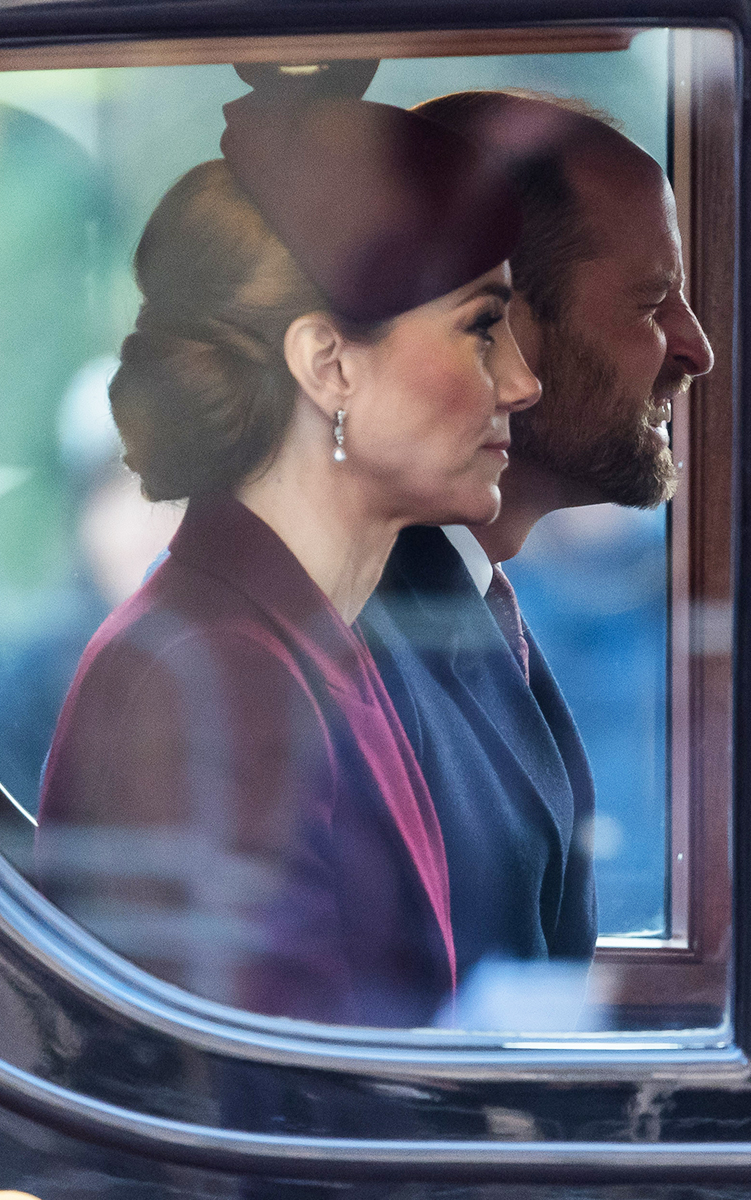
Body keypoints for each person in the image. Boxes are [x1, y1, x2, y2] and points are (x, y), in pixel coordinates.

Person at [34, 61, 541, 1029]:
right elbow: (258, 1117)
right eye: (481, 328)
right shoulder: (220, 677)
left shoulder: (298, 642)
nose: (521, 382)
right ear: (327, 364)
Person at [353, 91, 711, 998]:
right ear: (499, 320)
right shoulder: (339, 636)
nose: (695, 348)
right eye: (652, 301)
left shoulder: (448, 605)